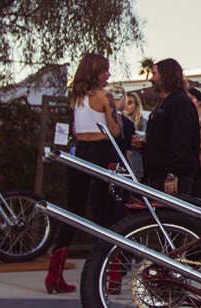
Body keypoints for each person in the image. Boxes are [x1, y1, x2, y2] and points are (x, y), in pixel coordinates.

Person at [45, 53, 122, 294]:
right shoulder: (104, 97)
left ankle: (53, 275)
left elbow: (77, 129)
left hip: (81, 153)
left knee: (73, 211)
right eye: (105, 71)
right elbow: (116, 130)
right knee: (106, 214)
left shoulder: (76, 97)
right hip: (102, 152)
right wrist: (116, 111)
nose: (108, 75)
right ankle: (113, 276)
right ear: (96, 72)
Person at [143, 58, 200, 195]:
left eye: (155, 74)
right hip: (158, 174)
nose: (151, 79)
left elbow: (182, 140)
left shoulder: (180, 103)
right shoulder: (164, 103)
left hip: (172, 177)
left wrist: (173, 173)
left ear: (165, 75)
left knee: (171, 215)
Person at [122, 92, 146, 179]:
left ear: (137, 105)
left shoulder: (143, 122)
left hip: (137, 166)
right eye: (125, 102)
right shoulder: (120, 122)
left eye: (130, 103)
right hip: (123, 165)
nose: (126, 106)